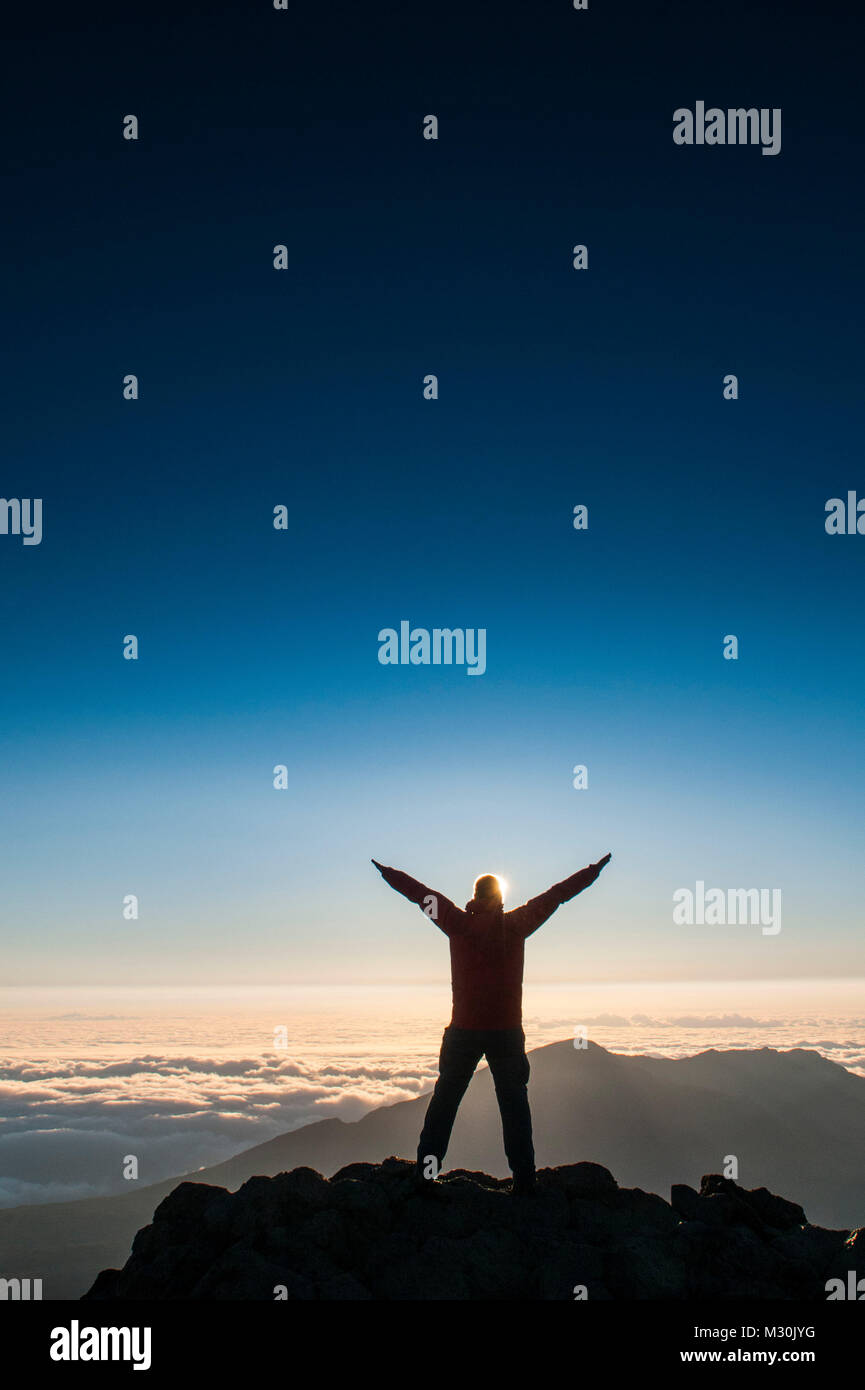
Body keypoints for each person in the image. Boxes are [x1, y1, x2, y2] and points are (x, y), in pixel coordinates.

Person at [371, 852, 611, 1195]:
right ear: (499, 897)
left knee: (445, 1102)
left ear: (475, 895)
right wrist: (592, 872)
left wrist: (387, 872)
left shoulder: (456, 922)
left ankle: (425, 1175)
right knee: (514, 1106)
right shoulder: (516, 925)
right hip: (506, 1034)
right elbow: (557, 895)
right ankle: (525, 1181)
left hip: (463, 1032)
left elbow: (419, 894)